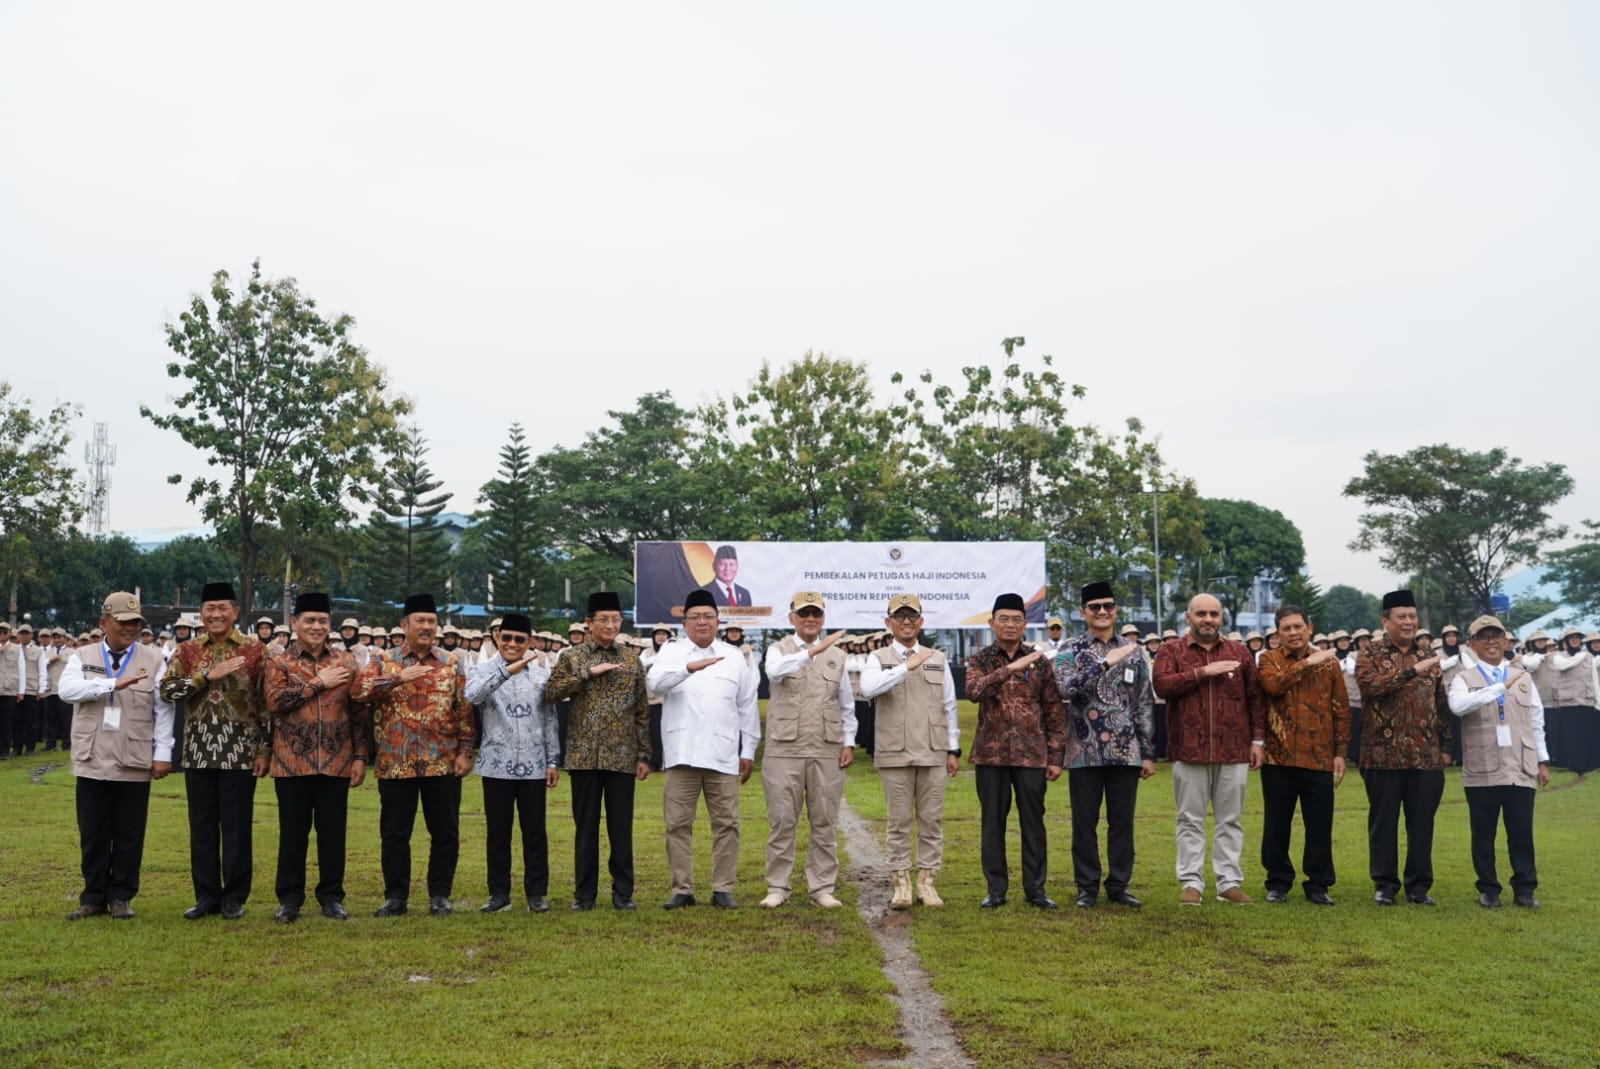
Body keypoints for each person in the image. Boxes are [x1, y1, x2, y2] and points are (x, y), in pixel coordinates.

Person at [351, 593, 474, 917]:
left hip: (442, 761)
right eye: (419, 621)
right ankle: (395, 897)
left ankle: (439, 895)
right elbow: (358, 692)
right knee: (394, 833)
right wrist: (395, 679)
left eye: (431, 621)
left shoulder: (451, 662)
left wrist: (464, 752)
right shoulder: (382, 661)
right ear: (404, 625)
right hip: (396, 762)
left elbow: (464, 712)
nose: (426, 627)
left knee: (445, 833)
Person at [59, 592, 175, 919]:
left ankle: (121, 896)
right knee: (93, 832)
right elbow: (67, 691)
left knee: (129, 833)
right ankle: (93, 896)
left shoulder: (153, 658)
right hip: (92, 757)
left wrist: (163, 753)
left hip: (134, 756)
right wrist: (112, 684)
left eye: (135, 623)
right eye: (123, 622)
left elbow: (164, 711)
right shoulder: (82, 655)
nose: (130, 628)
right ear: (103, 623)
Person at [160, 583, 270, 920]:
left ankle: (235, 897)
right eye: (210, 608)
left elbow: (267, 701)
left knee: (237, 828)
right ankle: (206, 896)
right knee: (202, 827)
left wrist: (265, 749)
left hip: (241, 753)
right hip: (198, 752)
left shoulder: (255, 650)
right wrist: (205, 676)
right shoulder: (188, 651)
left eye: (223, 608)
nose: (216, 614)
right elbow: (167, 691)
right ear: (201, 613)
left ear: (235, 612)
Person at [647, 589, 760, 909]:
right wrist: (688, 668)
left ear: (718, 621)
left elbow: (747, 706)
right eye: (694, 617)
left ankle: (723, 887)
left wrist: (748, 748)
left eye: (708, 617)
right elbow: (655, 684)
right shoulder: (671, 652)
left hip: (723, 754)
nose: (701, 622)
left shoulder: (734, 656)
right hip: (681, 751)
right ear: (684, 623)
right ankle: (682, 889)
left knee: (727, 823)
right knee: (677, 824)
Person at [259, 592, 367, 922]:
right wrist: (318, 683)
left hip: (336, 761)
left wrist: (360, 756)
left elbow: (358, 711)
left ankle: (331, 897)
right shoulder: (279, 662)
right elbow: (275, 701)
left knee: (333, 833)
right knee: (293, 834)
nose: (316, 627)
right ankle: (289, 899)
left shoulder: (346, 662)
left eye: (322, 621)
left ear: (329, 624)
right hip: (292, 762)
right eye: (309, 621)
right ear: (294, 623)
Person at [1152, 593, 1265, 906]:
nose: (1208, 619)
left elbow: (1255, 699)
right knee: (1190, 819)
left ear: (1221, 618)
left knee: (1230, 819)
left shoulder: (1239, 652)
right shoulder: (1171, 650)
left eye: (1214, 614)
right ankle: (1191, 882)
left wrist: (1258, 741)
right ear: (1188, 618)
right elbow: (1161, 686)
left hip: (1234, 749)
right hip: (1189, 749)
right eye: (1201, 613)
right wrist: (1202, 673)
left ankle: (1228, 882)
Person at [545, 592, 651, 911]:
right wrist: (586, 675)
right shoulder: (572, 657)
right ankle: (584, 895)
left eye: (615, 619)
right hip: (584, 756)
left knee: (621, 828)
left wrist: (644, 754)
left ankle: (623, 894)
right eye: (602, 619)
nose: (609, 625)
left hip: (622, 756)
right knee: (586, 829)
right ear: (588, 622)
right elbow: (551, 693)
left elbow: (641, 711)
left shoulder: (632, 660)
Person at [1052, 582, 1154, 909]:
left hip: (1125, 751)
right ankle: (1086, 886)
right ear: (1083, 612)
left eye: (1107, 605)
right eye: (1094, 606)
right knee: (1085, 821)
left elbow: (1143, 703)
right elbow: (1066, 690)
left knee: (1122, 820)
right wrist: (1106, 663)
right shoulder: (1070, 649)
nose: (1101, 611)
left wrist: (1148, 751)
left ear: (1115, 610)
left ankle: (1119, 884)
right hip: (1084, 750)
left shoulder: (1135, 651)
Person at [858, 594, 960, 910]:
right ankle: (900, 884)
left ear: (921, 621)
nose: (906, 621)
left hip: (933, 749)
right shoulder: (877, 657)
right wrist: (905, 668)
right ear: (888, 622)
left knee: (931, 820)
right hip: (895, 750)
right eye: (899, 616)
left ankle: (927, 884)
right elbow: (868, 689)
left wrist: (953, 747)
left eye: (912, 616)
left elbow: (949, 706)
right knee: (899, 820)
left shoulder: (937, 658)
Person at [966, 592, 1067, 909]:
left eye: (1016, 619)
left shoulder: (1039, 662)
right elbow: (973, 691)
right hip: (990, 755)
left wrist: (1055, 756)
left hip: (1031, 755)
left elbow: (1053, 710)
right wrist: (1009, 669)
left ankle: (1036, 890)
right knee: (992, 824)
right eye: (1003, 619)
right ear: (991, 622)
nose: (1010, 625)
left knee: (1033, 824)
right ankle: (996, 890)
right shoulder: (980, 659)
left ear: (1025, 623)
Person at [758, 592, 855, 909]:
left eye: (816, 614)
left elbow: (846, 706)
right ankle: (777, 886)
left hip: (825, 747)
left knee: (824, 820)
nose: (810, 619)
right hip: (784, 748)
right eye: (803, 614)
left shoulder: (838, 657)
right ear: (792, 619)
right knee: (782, 820)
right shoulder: (777, 650)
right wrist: (814, 650)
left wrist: (848, 743)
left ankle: (822, 887)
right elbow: (774, 672)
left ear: (823, 618)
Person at [1355, 590, 1452, 906]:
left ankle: (1418, 886)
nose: (1408, 622)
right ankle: (1384, 885)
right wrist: (1412, 671)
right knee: (1383, 824)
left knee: (1422, 824)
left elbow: (1442, 702)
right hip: (1382, 755)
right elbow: (1372, 686)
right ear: (1385, 621)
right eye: (1401, 617)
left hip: (1426, 756)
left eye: (1412, 616)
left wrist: (1447, 745)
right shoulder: (1370, 654)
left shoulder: (1429, 654)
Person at [1446, 616, 1548, 909]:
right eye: (1484, 636)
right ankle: (1488, 888)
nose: (1491, 641)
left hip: (1520, 764)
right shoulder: (1463, 679)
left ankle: (1525, 889)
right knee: (1483, 832)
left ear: (1506, 641)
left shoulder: (1525, 677)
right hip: (1483, 767)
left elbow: (1536, 721)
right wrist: (1499, 687)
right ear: (1472, 644)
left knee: (1521, 832)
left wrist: (1542, 760)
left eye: (1496, 636)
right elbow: (1458, 706)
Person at [1255, 605, 1350, 906]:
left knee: (1319, 824)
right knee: (1276, 823)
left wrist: (1341, 753)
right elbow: (1272, 686)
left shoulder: (1330, 663)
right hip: (1278, 757)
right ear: (1277, 632)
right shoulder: (1268, 659)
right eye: (1286, 628)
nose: (1293, 633)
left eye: (1298, 627)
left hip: (1319, 755)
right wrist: (1308, 663)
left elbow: (1341, 710)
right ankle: (1278, 882)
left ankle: (1319, 883)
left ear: (1309, 627)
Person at [467, 612, 560, 914]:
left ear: (529, 642)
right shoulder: (481, 671)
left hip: (533, 764)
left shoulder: (541, 676)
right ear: (497, 637)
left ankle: (536, 893)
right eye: (506, 638)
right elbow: (473, 697)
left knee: (534, 831)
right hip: (496, 763)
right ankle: (499, 894)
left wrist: (553, 760)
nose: (512, 644)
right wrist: (507, 672)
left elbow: (549, 720)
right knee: (498, 833)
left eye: (519, 639)